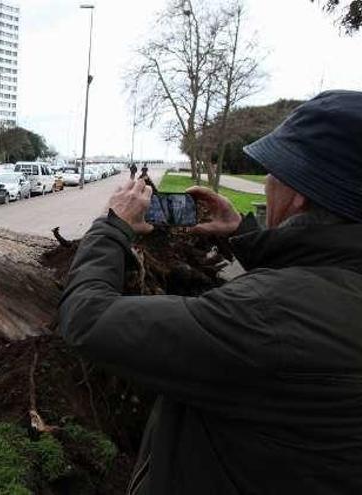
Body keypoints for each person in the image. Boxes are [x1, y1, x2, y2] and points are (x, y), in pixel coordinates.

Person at [59, 90, 362, 494]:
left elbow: (88, 319)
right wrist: (246, 236)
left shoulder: (262, 315)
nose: (268, 182)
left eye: (273, 173)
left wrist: (112, 227)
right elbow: (319, 278)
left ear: (298, 193)